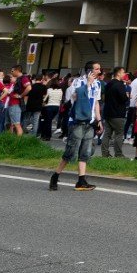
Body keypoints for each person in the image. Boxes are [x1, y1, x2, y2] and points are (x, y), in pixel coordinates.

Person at [48, 60, 103, 191]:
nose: (99, 71)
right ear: (89, 71)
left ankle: (81, 180)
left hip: (90, 122)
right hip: (77, 121)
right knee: (71, 151)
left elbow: (96, 102)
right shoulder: (78, 82)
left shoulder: (98, 84)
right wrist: (88, 84)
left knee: (86, 152)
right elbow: (75, 97)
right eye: (97, 69)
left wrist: (99, 120)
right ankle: (56, 175)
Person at [101, 67, 131, 158]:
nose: (124, 74)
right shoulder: (120, 85)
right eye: (123, 72)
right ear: (118, 73)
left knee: (107, 134)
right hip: (118, 113)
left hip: (108, 112)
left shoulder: (108, 84)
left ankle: (105, 153)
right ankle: (118, 154)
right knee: (119, 134)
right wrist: (127, 95)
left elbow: (104, 97)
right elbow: (124, 98)